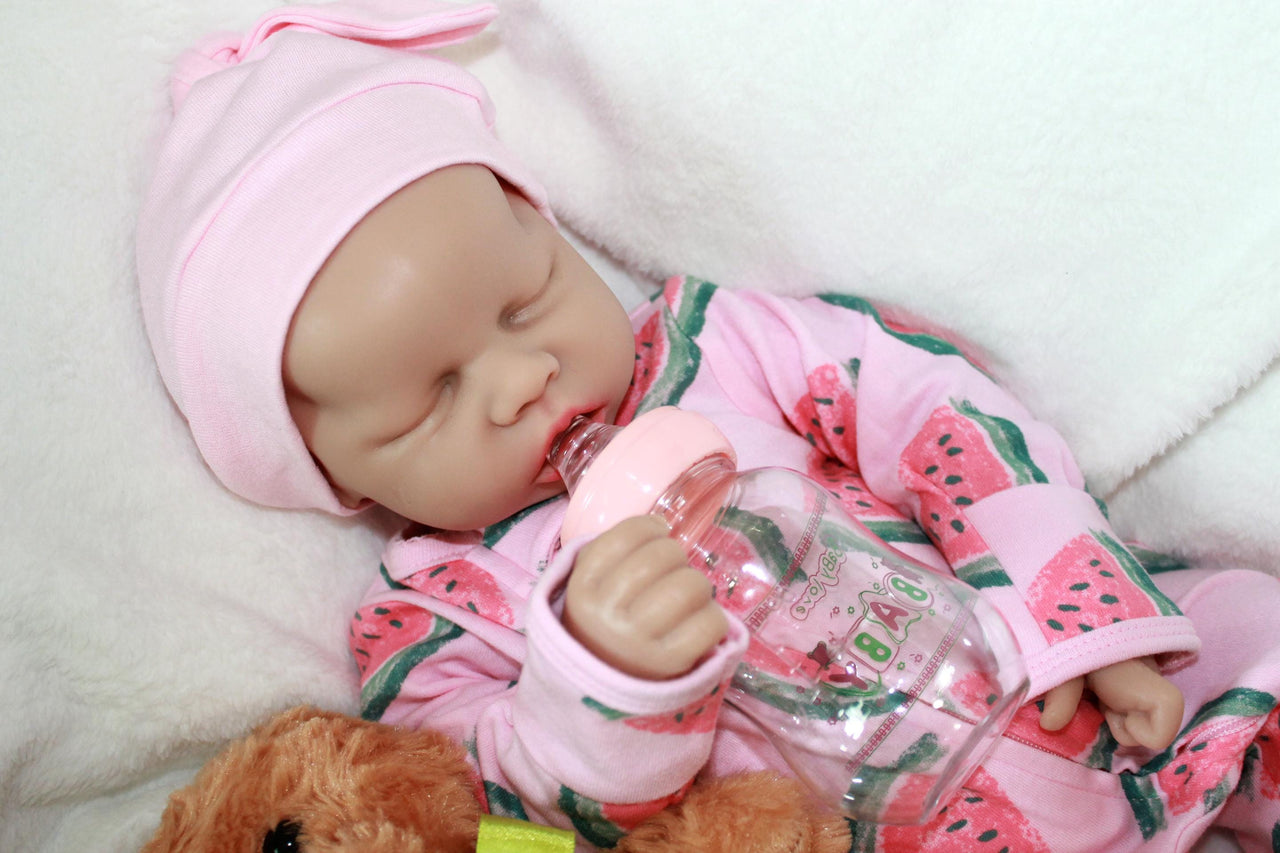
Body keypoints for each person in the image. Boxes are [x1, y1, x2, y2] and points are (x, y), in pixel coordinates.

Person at [135, 2, 1280, 851]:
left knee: (1245, 627)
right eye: (432, 396)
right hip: (886, 826)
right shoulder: (437, 622)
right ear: (325, 473)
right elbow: (506, 805)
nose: (521, 379)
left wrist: (1073, 602)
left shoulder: (714, 349)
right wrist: (603, 682)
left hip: (1072, 681)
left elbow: (933, 406)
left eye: (525, 301)